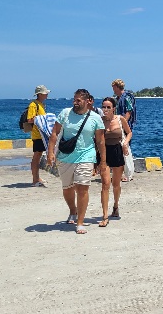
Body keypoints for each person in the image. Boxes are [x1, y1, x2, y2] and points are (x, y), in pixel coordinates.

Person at [47, 89, 106, 234]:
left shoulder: (95, 118)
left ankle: (80, 222)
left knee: (82, 187)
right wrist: (50, 152)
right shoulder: (65, 113)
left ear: (87, 101)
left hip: (86, 156)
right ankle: (73, 210)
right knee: (67, 188)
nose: (75, 102)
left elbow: (100, 141)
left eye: (78, 100)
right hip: (66, 156)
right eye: (74, 99)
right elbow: (54, 133)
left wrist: (102, 161)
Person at [99, 97, 132, 226]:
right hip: (104, 153)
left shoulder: (120, 119)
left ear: (113, 108)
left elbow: (129, 133)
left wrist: (125, 143)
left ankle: (116, 206)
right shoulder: (100, 121)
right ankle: (105, 216)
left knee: (116, 184)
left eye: (108, 107)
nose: (105, 109)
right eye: (103, 107)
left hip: (117, 151)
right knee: (105, 184)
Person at [112, 79, 136, 182]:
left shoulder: (126, 97)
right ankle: (121, 173)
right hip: (119, 125)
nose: (113, 89)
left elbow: (129, 111)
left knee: (125, 148)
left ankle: (128, 173)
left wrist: (123, 123)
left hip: (124, 126)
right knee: (119, 149)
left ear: (117, 87)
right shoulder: (117, 98)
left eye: (113, 87)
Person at [26, 85, 50, 187]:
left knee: (39, 156)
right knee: (36, 157)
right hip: (37, 135)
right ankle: (35, 179)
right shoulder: (33, 105)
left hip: (42, 134)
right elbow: (30, 119)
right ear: (40, 94)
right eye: (45, 93)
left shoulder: (41, 104)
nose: (47, 94)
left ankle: (37, 177)